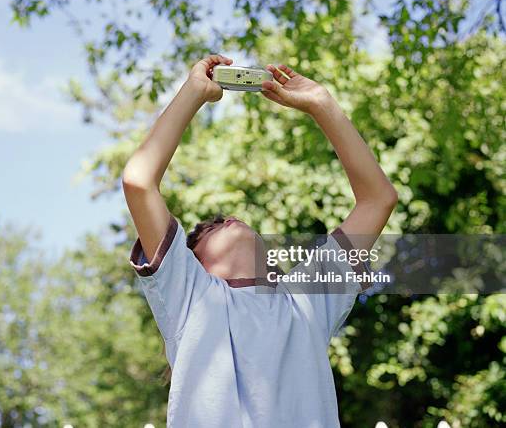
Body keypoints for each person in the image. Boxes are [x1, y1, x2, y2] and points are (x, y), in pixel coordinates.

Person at [122, 54, 398, 427]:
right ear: (194, 263)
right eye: (211, 226)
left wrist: (322, 103)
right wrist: (193, 92)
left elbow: (378, 199)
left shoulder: (305, 302)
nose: (231, 219)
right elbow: (139, 181)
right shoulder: (190, 298)